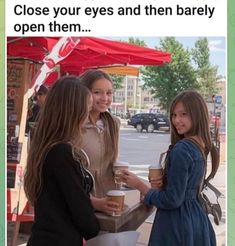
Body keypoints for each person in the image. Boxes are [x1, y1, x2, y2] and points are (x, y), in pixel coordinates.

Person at [122, 90, 219, 246]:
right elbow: (185, 188)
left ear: (197, 114)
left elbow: (172, 200)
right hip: (195, 218)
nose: (176, 120)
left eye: (183, 114)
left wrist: (139, 185)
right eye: (174, 115)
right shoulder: (200, 146)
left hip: (176, 224)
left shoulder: (182, 149)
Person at [24, 76, 100, 246]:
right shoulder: (62, 153)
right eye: (86, 112)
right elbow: (83, 215)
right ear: (73, 112)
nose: (87, 119)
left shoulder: (46, 146)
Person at [78, 69, 120, 213]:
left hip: (109, 199)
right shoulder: (74, 124)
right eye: (97, 92)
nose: (104, 98)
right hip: (81, 200)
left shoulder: (113, 123)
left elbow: (113, 163)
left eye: (109, 93)